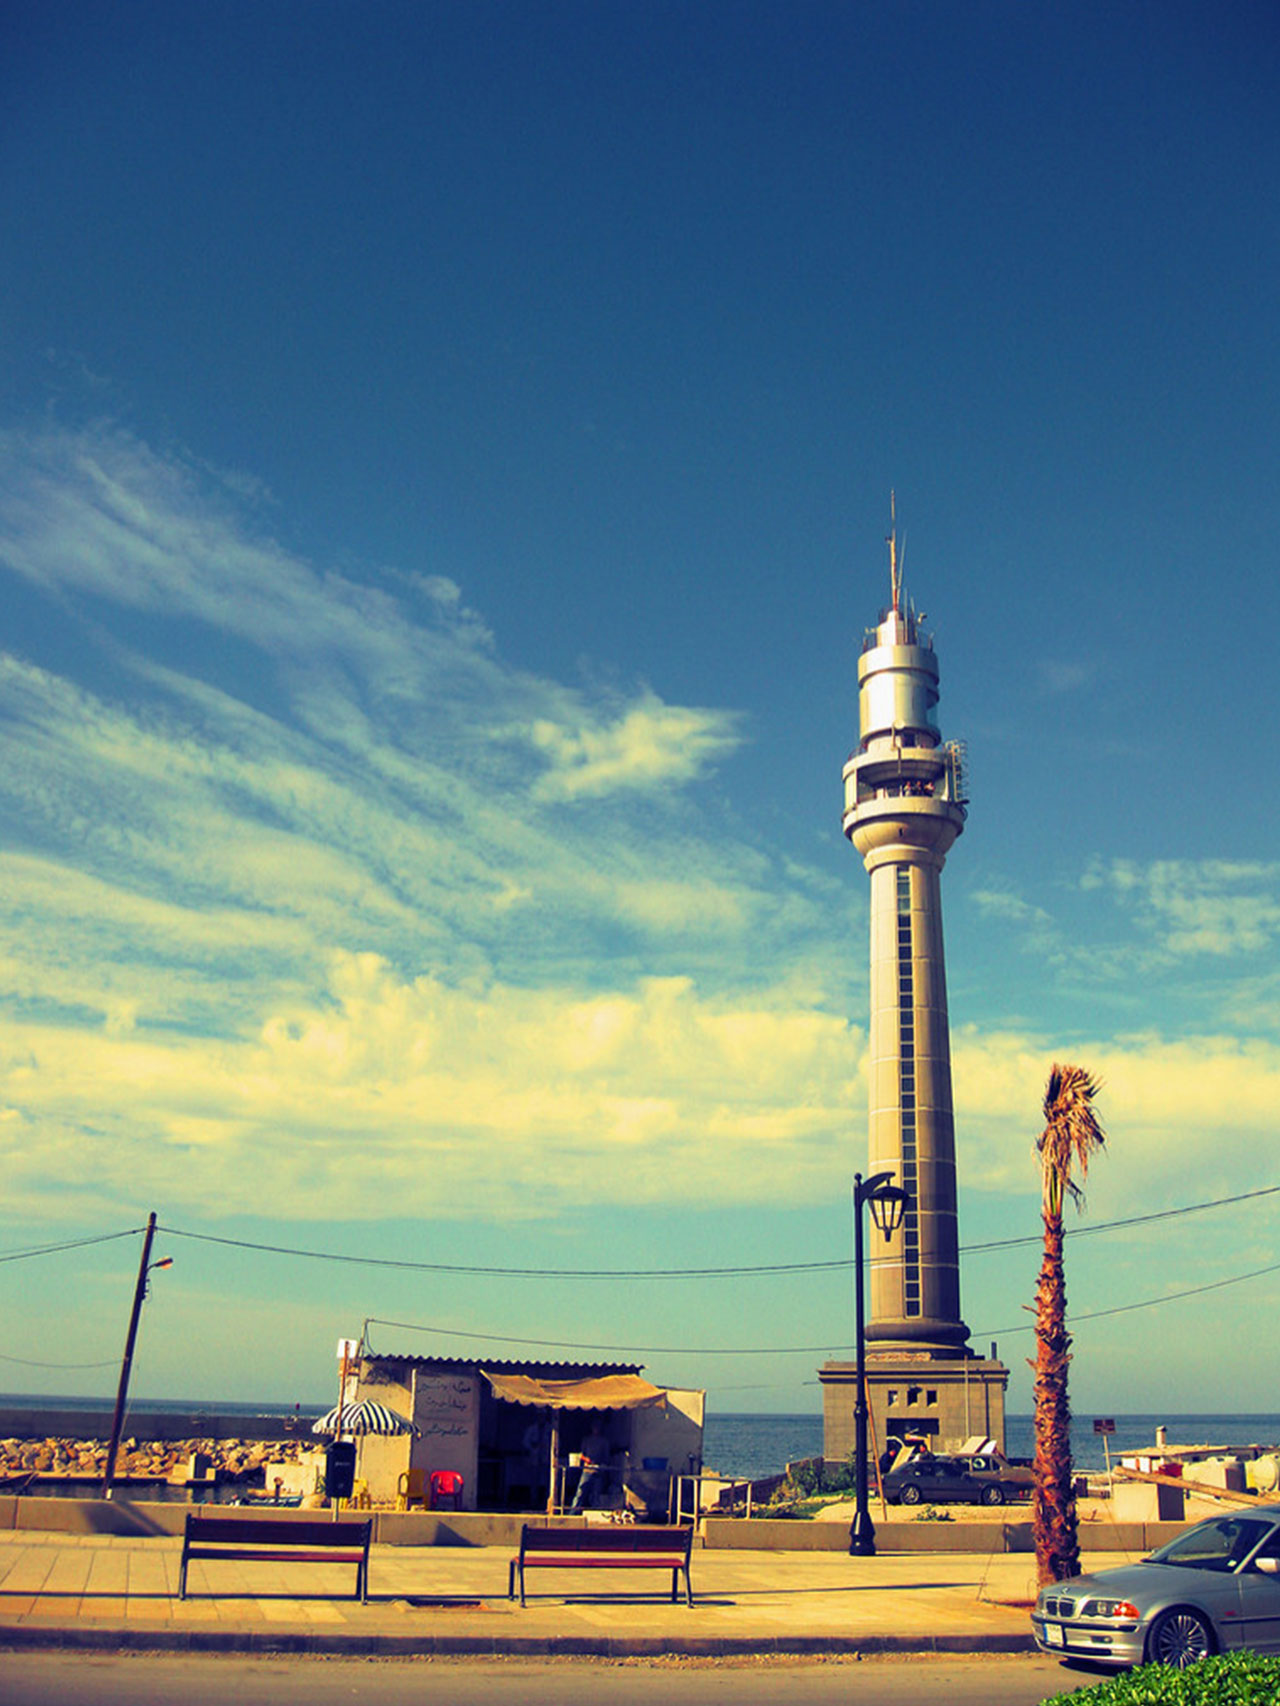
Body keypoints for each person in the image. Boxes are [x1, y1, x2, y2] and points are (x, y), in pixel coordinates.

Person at [569, 1420, 612, 1511]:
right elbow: (581, 1454)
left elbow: (607, 1457)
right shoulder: (587, 1440)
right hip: (587, 1469)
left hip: (598, 1470)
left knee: (596, 1494)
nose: (596, 1429)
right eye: (594, 1427)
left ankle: (595, 1514)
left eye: (598, 1427)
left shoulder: (604, 1441)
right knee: (581, 1492)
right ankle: (573, 1512)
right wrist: (586, 1459)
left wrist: (601, 1464)